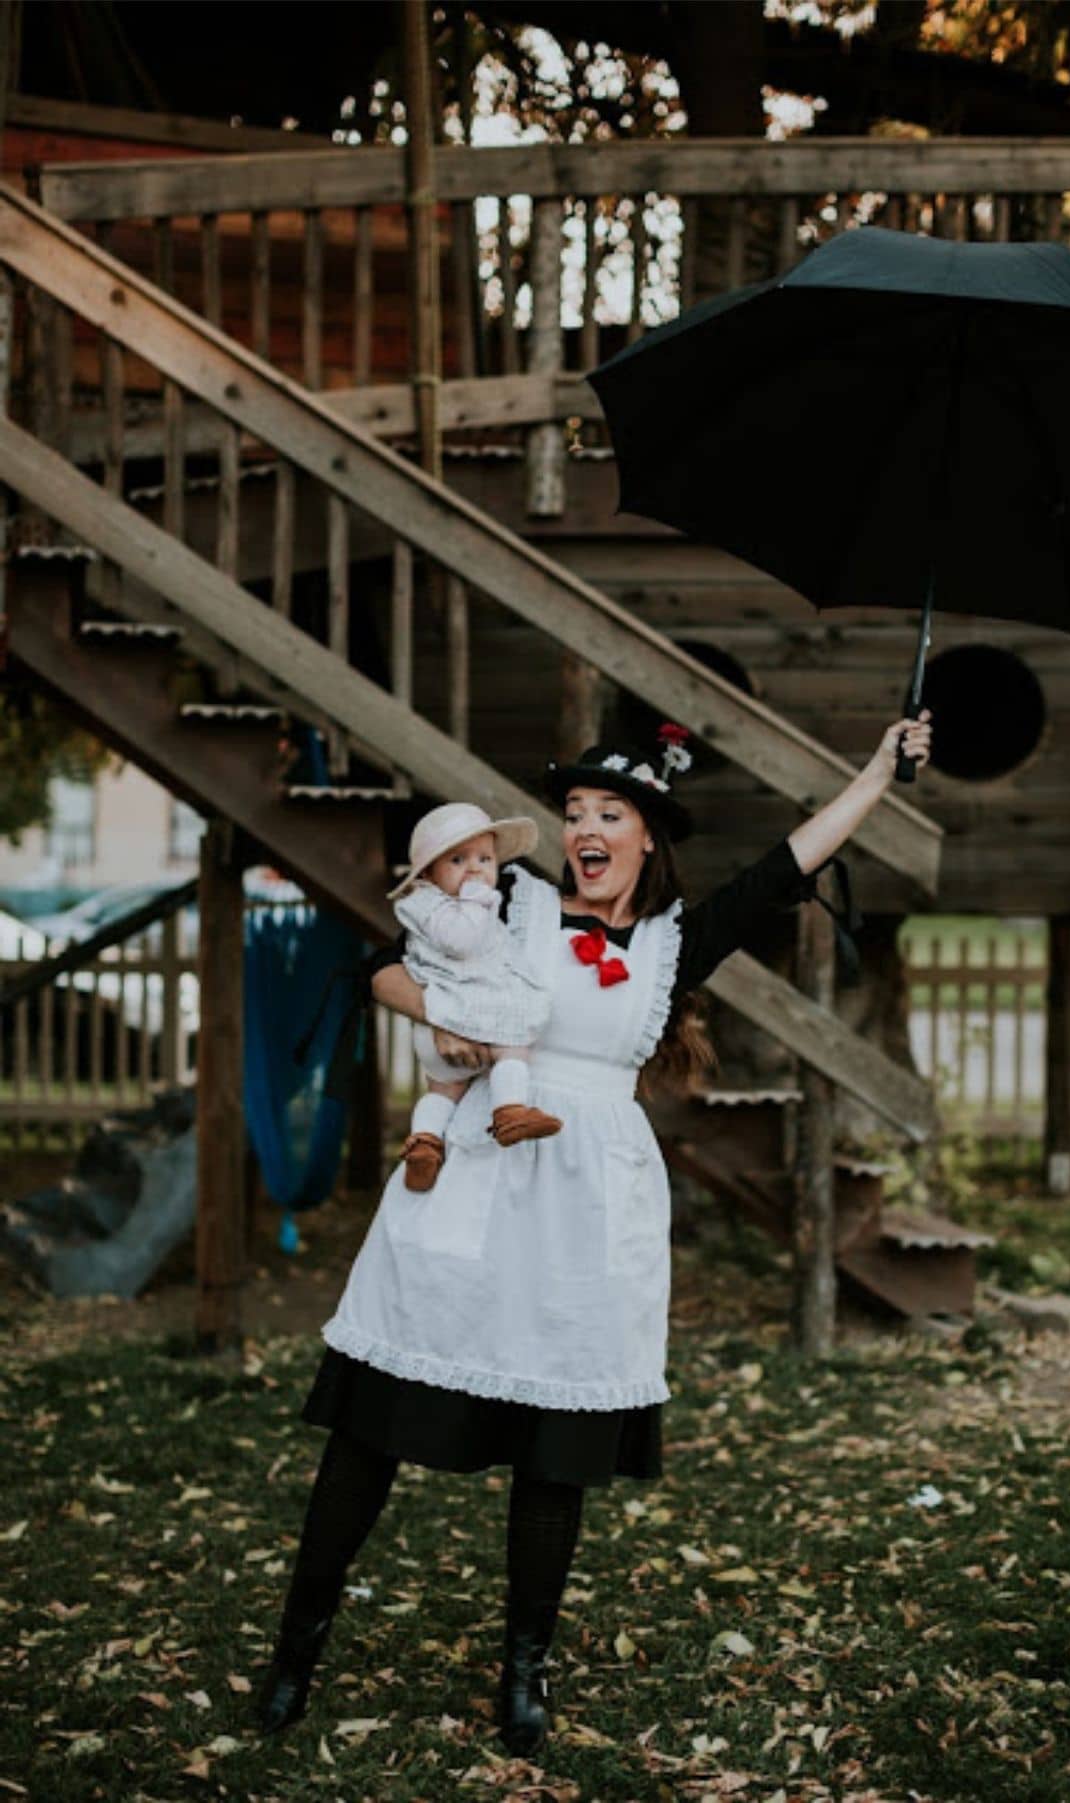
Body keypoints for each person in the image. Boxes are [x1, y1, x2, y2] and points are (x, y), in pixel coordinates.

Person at [254, 710, 933, 1755]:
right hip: (477, 1174)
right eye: (575, 812)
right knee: (373, 1427)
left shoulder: (673, 946)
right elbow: (382, 964)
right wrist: (430, 1016)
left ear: (647, 835)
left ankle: (524, 1669)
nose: (586, 828)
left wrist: (880, 771)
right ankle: (296, 1649)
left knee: (554, 1452)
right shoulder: (510, 903)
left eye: (609, 813)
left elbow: (791, 858)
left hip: (590, 1204)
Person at [387, 801, 562, 1193]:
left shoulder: (438, 904)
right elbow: (463, 942)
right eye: (458, 859)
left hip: (438, 1031)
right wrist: (478, 901)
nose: (475, 870)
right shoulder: (433, 905)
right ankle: (510, 1112)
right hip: (458, 1015)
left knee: (443, 1090)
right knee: (515, 1046)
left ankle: (426, 1143)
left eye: (485, 859)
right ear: (429, 874)